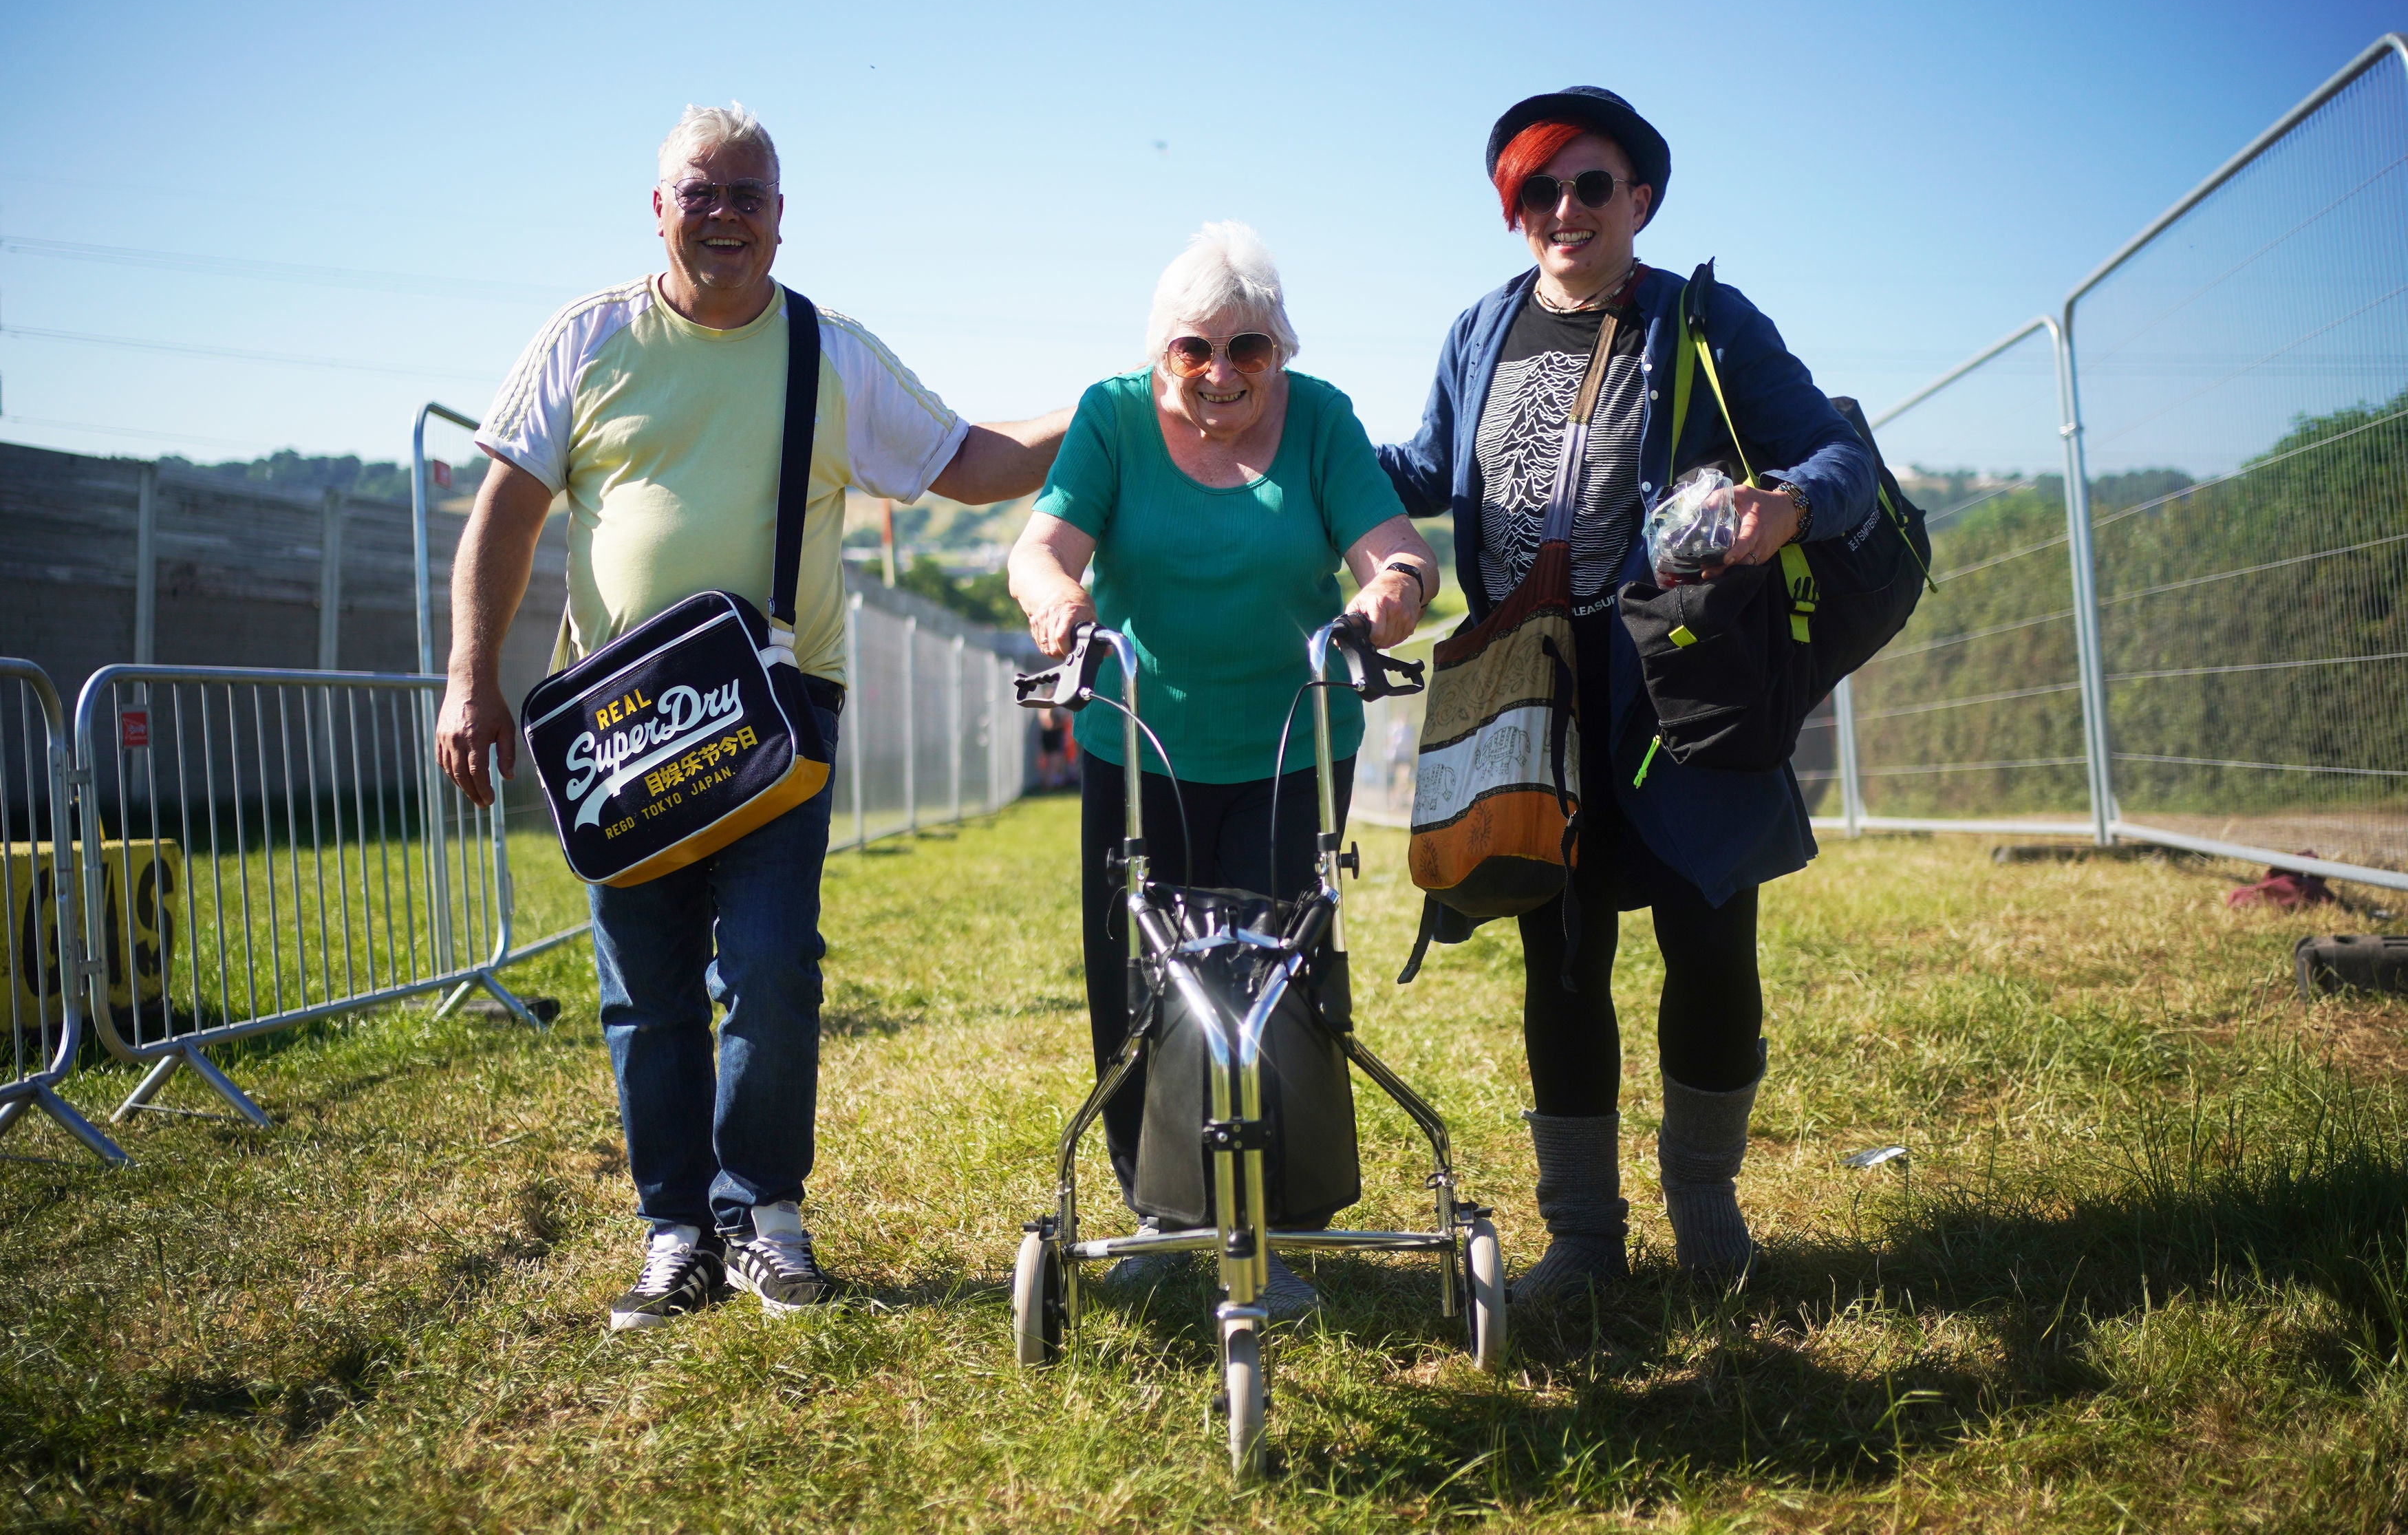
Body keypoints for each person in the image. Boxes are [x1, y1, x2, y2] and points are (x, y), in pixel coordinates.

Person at [436, 104, 1069, 1331]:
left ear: (783, 215)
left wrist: (1107, 411)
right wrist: (471, 678)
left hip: (778, 713)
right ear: (659, 205)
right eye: (702, 192)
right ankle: (675, 1231)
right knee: (646, 987)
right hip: (621, 725)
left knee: (772, 968)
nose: (725, 214)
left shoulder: (827, 352)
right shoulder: (585, 341)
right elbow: (503, 520)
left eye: (750, 196)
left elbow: (972, 460)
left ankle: (764, 1214)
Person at [1378, 89, 1874, 1300]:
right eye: (1539, 190)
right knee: (1558, 951)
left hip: (1681, 682)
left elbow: (1843, 454)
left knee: (1712, 942)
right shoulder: (1478, 331)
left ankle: (1706, 1206)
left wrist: (1785, 504)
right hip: (1532, 694)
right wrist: (1296, 446)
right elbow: (1425, 467)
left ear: (1638, 199)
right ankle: (1585, 1239)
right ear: (1515, 212)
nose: (1565, 209)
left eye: (1590, 185)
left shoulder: (1700, 320)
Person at [1009, 222, 1439, 1318]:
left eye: (1250, 349)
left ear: (1281, 352)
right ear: (1161, 351)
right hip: (1140, 743)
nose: (1221, 373)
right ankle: (1156, 1205)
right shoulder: (1111, 416)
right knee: (1140, 981)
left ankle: (1278, 1219)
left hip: (1292, 742)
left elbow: (1397, 547)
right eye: (1195, 349)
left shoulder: (1323, 419)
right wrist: (1059, 601)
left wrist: (1388, 590)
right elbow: (1042, 544)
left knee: (1279, 984)